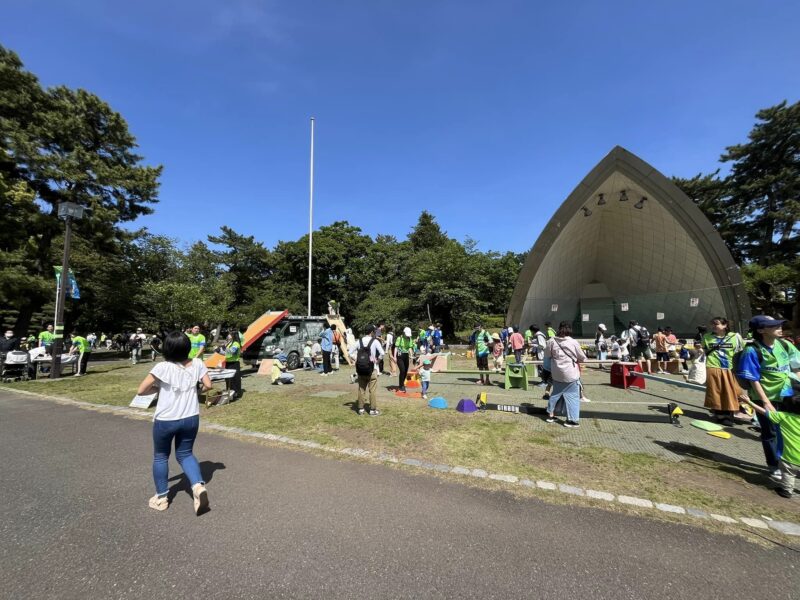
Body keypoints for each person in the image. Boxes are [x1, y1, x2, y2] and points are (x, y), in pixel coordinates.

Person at [136, 331, 212, 514]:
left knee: (161, 456)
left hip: (166, 419)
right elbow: (208, 385)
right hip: (191, 417)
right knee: (185, 453)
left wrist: (158, 388)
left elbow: (141, 390)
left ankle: (161, 498)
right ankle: (198, 487)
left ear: (167, 348)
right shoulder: (198, 363)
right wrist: (197, 391)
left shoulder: (162, 367)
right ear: (187, 347)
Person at [736, 315, 800, 482]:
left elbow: (797, 365)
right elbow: (753, 378)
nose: (780, 327)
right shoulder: (752, 350)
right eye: (773, 325)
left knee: (790, 430)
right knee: (770, 431)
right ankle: (773, 465)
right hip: (766, 397)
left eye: (779, 324)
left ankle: (788, 463)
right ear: (761, 330)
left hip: (789, 395)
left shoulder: (785, 344)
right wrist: (765, 401)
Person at [741, 395, 800, 498]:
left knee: (788, 473)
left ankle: (786, 491)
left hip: (789, 455)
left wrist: (749, 402)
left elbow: (763, 411)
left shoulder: (783, 417)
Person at [702, 316, 744, 426]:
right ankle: (721, 415)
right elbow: (705, 350)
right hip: (713, 367)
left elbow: (741, 352)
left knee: (733, 392)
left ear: (725, 325)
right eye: (713, 324)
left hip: (730, 368)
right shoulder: (706, 337)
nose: (714, 326)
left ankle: (732, 413)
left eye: (716, 324)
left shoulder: (735, 336)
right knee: (716, 392)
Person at [544, 321, 587, 428]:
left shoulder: (551, 341)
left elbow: (547, 355)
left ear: (559, 328)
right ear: (570, 329)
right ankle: (572, 420)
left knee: (555, 394)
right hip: (571, 374)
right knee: (573, 397)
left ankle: (550, 415)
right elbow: (582, 358)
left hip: (557, 373)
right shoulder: (573, 342)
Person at [350, 326, 384, 415]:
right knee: (372, 390)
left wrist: (356, 359)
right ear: (372, 332)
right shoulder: (375, 341)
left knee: (361, 389)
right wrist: (377, 360)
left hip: (361, 369)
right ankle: (372, 410)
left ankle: (360, 409)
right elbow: (382, 353)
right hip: (372, 368)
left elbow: (350, 352)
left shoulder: (359, 341)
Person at [394, 327, 415, 392]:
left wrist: (411, 355)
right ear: (404, 333)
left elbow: (410, 348)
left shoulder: (410, 339)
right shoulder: (399, 338)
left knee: (405, 371)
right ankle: (401, 386)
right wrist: (395, 357)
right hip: (399, 356)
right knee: (402, 370)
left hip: (406, 356)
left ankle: (402, 383)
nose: (407, 336)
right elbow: (396, 348)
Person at [224, 331, 243, 398]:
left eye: (229, 334)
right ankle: (229, 391)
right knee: (228, 378)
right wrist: (218, 350)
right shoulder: (229, 343)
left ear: (233, 335)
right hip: (228, 362)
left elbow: (232, 351)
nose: (228, 336)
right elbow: (226, 353)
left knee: (235, 378)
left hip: (234, 363)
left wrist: (224, 348)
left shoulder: (236, 343)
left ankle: (236, 392)